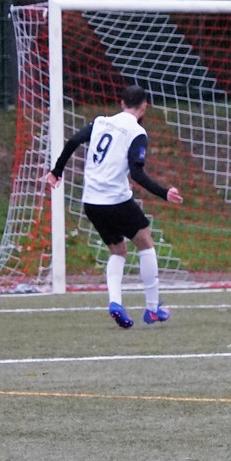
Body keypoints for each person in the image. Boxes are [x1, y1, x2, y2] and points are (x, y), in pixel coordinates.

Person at [45, 85, 183, 328]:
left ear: (122, 103)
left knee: (118, 251)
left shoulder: (101, 122)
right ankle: (153, 308)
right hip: (116, 200)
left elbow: (74, 140)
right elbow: (137, 174)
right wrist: (164, 193)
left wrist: (56, 171)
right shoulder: (137, 132)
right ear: (144, 107)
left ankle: (115, 303)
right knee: (145, 242)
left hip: (91, 202)